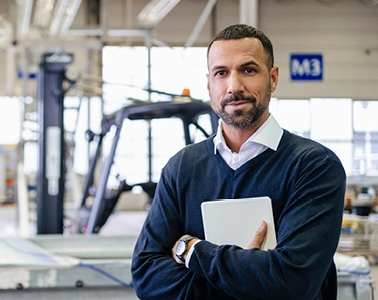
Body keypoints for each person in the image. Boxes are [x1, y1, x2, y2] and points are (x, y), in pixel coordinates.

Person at [131, 24, 346, 300]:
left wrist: (193, 251)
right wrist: (249, 278)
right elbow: (146, 275)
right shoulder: (182, 167)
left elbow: (294, 282)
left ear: (273, 77)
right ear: (209, 84)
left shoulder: (314, 167)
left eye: (248, 70)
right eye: (221, 73)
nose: (234, 86)